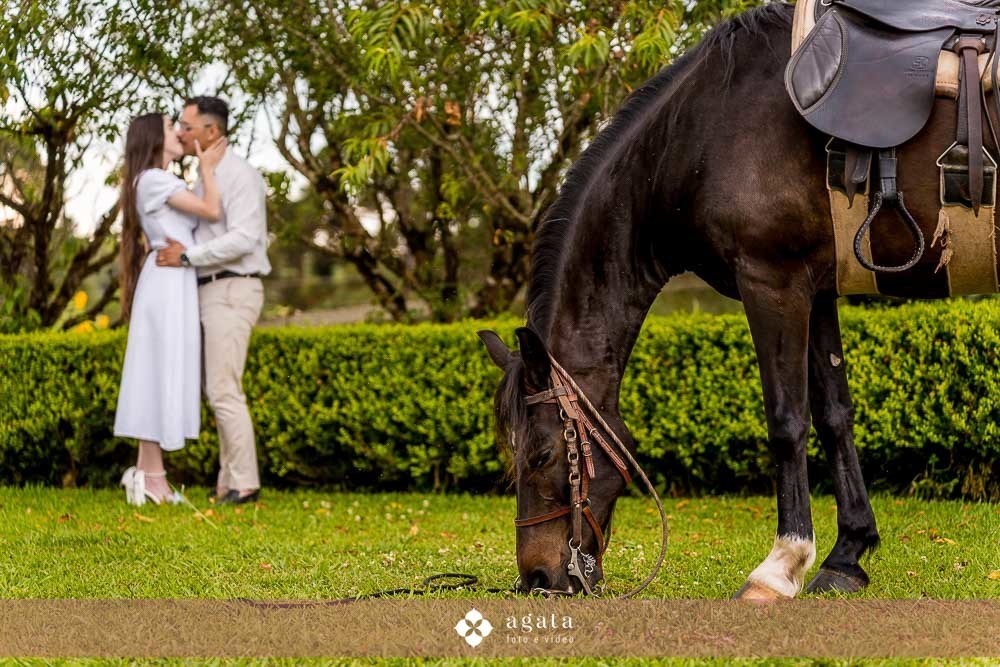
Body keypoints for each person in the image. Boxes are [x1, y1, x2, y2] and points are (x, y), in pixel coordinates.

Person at [156, 96, 271, 505]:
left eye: (187, 127)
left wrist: (187, 257)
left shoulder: (240, 175)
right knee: (218, 389)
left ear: (212, 131)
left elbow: (244, 238)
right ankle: (227, 481)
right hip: (212, 289)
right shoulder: (206, 176)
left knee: (224, 389)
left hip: (233, 288)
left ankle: (245, 484)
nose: (181, 133)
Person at [114, 113, 226, 506]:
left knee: (158, 371)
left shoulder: (154, 180)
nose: (178, 132)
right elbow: (211, 210)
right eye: (169, 128)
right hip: (166, 281)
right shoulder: (154, 180)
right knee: (157, 372)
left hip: (172, 279)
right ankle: (153, 479)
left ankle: (147, 474)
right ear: (154, 139)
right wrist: (207, 166)